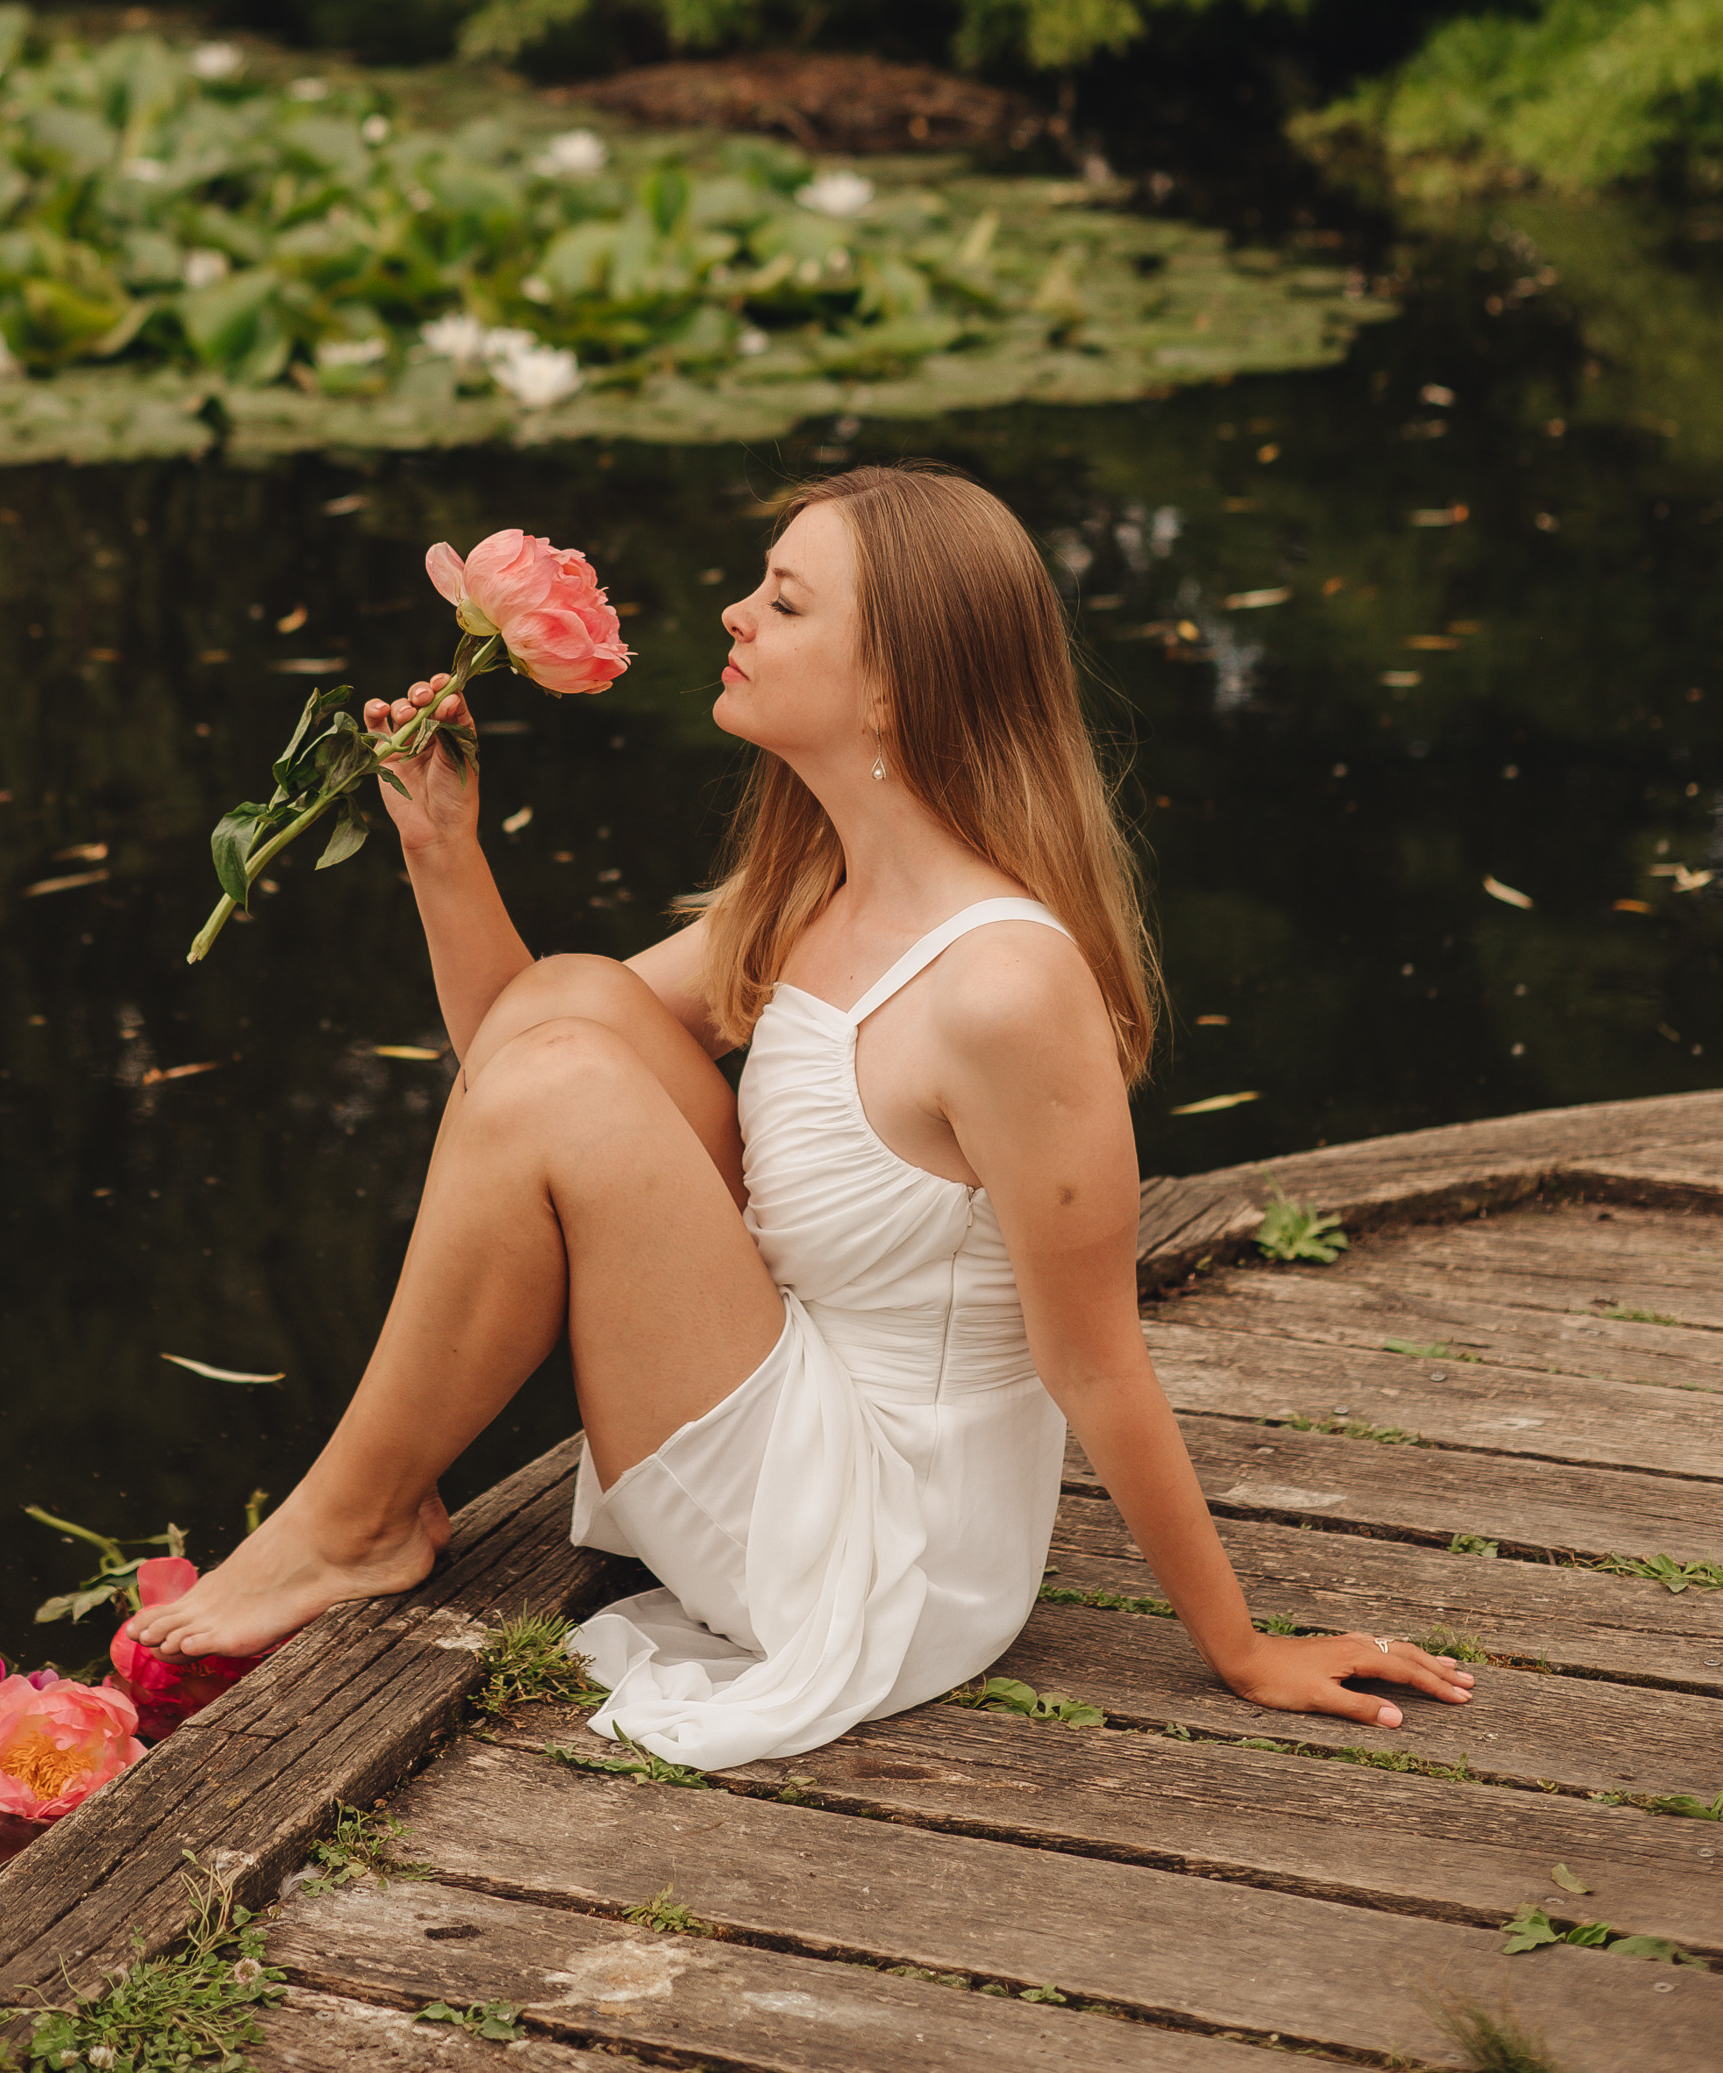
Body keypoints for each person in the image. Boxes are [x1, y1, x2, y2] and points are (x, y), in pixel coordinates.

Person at [132, 462, 1470, 1768]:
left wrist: (1240, 1647)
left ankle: (352, 1517)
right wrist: (442, 851)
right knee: (584, 1000)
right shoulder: (811, 890)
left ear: (892, 684)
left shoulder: (1005, 986)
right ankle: (357, 1511)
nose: (735, 616)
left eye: (783, 601)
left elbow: (1096, 1360)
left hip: (890, 1540)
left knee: (580, 1045)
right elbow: (513, 1068)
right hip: (789, 1412)